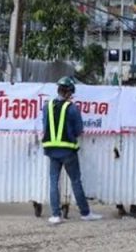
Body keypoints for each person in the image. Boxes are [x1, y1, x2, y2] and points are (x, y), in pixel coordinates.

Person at [42, 76, 102, 224]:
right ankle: (85, 213)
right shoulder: (72, 108)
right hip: (68, 151)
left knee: (53, 182)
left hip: (51, 150)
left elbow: (45, 126)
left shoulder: (47, 106)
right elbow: (79, 130)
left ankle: (56, 215)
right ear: (68, 92)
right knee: (75, 181)